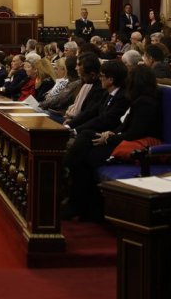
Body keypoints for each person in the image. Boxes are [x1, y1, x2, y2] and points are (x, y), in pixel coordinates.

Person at [65, 65, 163, 220]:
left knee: (87, 157)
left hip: (138, 146)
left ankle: (80, 204)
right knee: (85, 137)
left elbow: (135, 133)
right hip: (124, 139)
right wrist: (112, 133)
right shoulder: (138, 99)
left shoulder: (146, 102)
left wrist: (110, 137)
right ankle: (80, 204)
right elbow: (124, 126)